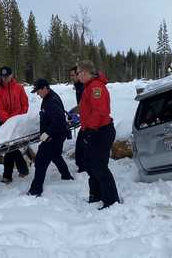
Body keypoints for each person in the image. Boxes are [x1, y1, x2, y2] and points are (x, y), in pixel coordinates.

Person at [77, 60, 120, 210]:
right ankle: (95, 195)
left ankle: (111, 200)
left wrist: (90, 129)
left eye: (79, 73)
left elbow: (100, 111)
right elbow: (88, 109)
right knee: (90, 164)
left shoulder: (96, 87)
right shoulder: (88, 87)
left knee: (99, 166)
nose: (78, 76)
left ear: (86, 72)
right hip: (93, 130)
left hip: (101, 131)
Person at [27, 79, 74, 196]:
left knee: (40, 161)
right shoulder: (48, 98)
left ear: (44, 88)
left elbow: (58, 120)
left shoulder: (51, 101)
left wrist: (47, 133)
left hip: (54, 136)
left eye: (38, 91)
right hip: (56, 135)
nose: (37, 94)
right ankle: (67, 176)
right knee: (56, 156)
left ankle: (35, 190)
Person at [0, 66, 30, 183]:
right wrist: (9, 120)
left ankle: (8, 175)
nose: (5, 78)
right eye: (3, 76)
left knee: (11, 147)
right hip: (5, 122)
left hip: (18, 121)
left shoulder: (19, 88)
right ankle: (21, 167)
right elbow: (0, 108)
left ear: (12, 75)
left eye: (7, 76)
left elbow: (25, 104)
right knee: (8, 147)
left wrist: (19, 118)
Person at [69, 66, 86, 173]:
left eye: (73, 75)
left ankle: (83, 167)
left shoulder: (83, 87)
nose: (71, 77)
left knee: (81, 146)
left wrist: (74, 112)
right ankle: (83, 166)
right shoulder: (78, 86)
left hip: (91, 123)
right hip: (85, 121)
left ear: (79, 75)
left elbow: (84, 105)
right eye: (70, 75)